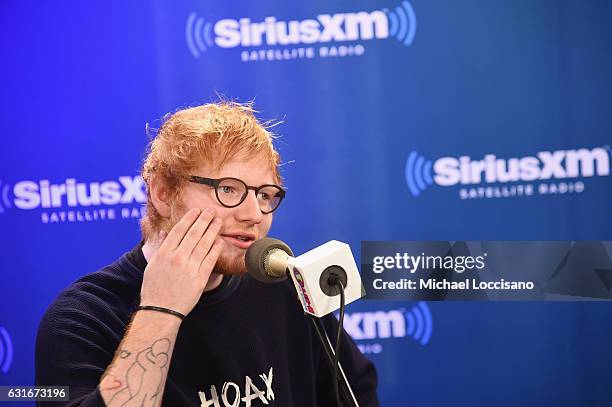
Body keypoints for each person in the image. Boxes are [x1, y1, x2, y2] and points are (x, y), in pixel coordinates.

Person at [35, 101, 379, 407]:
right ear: (163, 194)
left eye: (265, 194)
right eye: (229, 189)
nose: (253, 214)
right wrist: (161, 309)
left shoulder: (288, 290)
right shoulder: (82, 317)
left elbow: (356, 392)